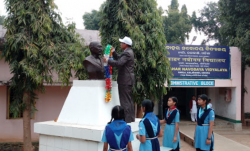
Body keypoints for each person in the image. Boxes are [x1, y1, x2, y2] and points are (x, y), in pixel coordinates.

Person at [103, 36, 135, 123]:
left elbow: (118, 63)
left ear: (125, 44)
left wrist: (107, 60)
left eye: (122, 43)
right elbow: (119, 59)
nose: (120, 44)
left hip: (125, 80)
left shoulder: (127, 53)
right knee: (128, 100)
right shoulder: (128, 52)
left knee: (124, 101)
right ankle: (131, 118)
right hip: (128, 79)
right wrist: (114, 53)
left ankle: (126, 120)